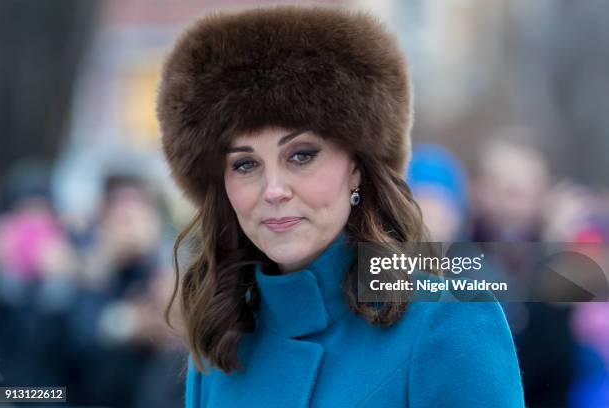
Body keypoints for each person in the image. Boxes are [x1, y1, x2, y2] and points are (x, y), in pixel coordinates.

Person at [156, 5, 525, 407]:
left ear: (356, 167)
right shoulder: (220, 348)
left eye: (301, 156)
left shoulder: (448, 323)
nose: (274, 190)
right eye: (246, 164)